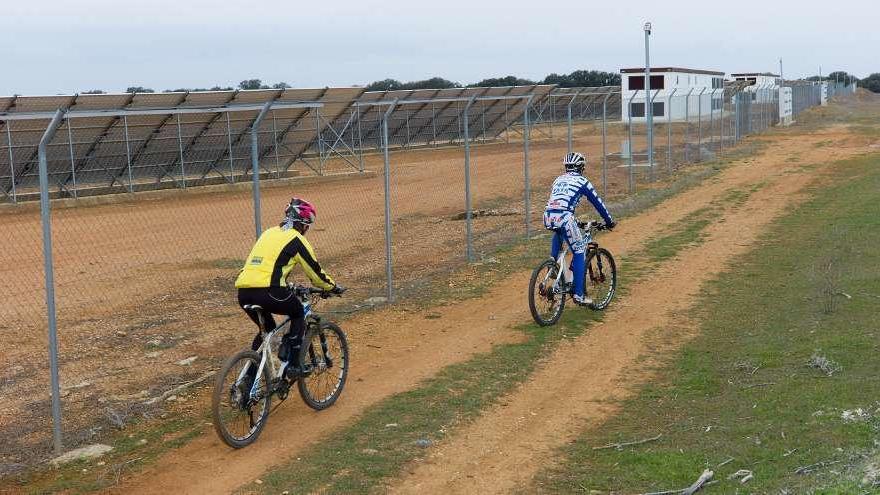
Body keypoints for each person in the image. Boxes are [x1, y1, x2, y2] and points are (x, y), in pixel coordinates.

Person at [235, 197, 344, 369]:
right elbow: (315, 272)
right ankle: (294, 364)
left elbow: (268, 264)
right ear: (302, 224)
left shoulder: (268, 233)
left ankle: (248, 378)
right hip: (269, 291)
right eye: (307, 225)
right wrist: (332, 287)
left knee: (267, 328)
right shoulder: (297, 239)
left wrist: (286, 284)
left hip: (244, 292)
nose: (306, 229)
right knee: (298, 312)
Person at [543, 152, 615, 306]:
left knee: (559, 231)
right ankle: (579, 295)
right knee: (579, 251)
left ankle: (552, 262)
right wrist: (609, 221)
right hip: (565, 217)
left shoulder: (558, 180)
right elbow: (598, 203)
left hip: (548, 215)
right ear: (581, 167)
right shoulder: (582, 181)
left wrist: (574, 221)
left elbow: (560, 202)